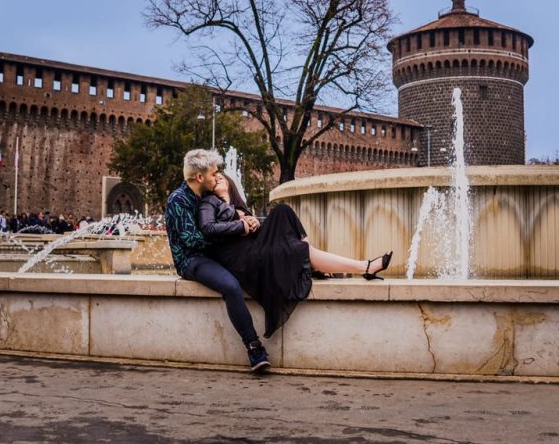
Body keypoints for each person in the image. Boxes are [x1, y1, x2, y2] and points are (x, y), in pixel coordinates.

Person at [198, 172, 392, 339]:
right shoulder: (209, 202)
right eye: (214, 179)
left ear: (231, 183)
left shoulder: (241, 205)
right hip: (241, 259)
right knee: (301, 250)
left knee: (282, 210)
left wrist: (254, 223)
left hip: (254, 248)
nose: (218, 179)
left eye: (222, 177)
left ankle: (311, 258)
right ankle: (364, 267)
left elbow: (251, 232)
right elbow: (208, 228)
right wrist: (240, 223)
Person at [165, 149, 270, 373]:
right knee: (231, 286)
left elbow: (219, 225)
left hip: (215, 252)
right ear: (200, 177)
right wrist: (236, 229)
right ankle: (254, 347)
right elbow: (192, 241)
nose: (217, 177)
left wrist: (243, 220)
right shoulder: (178, 200)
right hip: (192, 260)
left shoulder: (204, 196)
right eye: (214, 174)